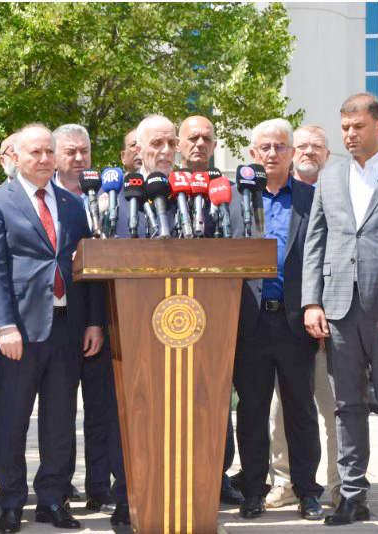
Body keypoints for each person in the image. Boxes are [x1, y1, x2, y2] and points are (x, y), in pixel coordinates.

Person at [302, 93, 378, 528]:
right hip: (337, 308)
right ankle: (352, 497)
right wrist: (311, 301)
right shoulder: (330, 177)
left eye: (358, 127)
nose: (350, 135)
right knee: (347, 406)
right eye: (345, 128)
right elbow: (316, 241)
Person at [0, 124, 104, 533]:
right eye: (35, 152)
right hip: (20, 330)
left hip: (68, 327)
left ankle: (52, 499)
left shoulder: (72, 203)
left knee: (60, 419)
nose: (45, 159)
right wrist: (4, 326)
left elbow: (86, 268)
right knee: (12, 419)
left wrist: (93, 322)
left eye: (49, 151)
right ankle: (12, 501)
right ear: (14, 157)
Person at [231, 119, 324, 522]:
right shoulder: (233, 199)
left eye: (280, 147)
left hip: (294, 321)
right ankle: (253, 491)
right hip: (248, 323)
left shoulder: (311, 198)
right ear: (253, 153)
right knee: (251, 412)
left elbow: (323, 257)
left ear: (292, 152)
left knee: (300, 410)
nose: (272, 154)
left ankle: (308, 491)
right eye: (265, 147)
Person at [52, 124, 129, 525]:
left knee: (102, 411)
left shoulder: (105, 197)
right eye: (70, 151)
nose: (79, 158)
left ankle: (101, 488)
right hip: (57, 324)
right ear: (55, 155)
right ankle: (60, 487)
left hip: (99, 318)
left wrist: (98, 321)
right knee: (59, 413)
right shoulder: (45, 197)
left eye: (84, 151)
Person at [266, 124, 340, 509]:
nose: (309, 151)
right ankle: (284, 482)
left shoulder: (336, 197)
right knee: (280, 412)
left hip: (327, 324)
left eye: (317, 146)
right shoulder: (275, 197)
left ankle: (339, 485)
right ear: (294, 153)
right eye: (303, 146)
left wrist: (326, 309)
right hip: (283, 325)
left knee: (332, 410)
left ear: (328, 155)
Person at [176, 114, 243, 506]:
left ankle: (219, 474)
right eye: (192, 138)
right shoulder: (162, 187)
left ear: (215, 145)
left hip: (218, 307)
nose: (199, 144)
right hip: (169, 308)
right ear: (179, 144)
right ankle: (177, 472)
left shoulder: (227, 190)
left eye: (206, 138)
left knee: (217, 394)